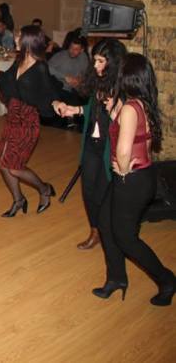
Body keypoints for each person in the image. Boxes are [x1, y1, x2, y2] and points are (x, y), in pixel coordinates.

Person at [90, 54, 174, 306]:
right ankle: (117, 278)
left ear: (126, 77)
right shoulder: (142, 103)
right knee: (105, 222)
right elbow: (137, 136)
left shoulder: (129, 108)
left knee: (126, 238)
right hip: (141, 177)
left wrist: (123, 169)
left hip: (132, 179)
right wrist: (114, 113)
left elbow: (124, 150)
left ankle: (167, 280)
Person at [0, 26, 61, 217]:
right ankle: (19, 200)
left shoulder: (40, 67)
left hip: (28, 121)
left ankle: (44, 189)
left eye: (19, 36)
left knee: (14, 167)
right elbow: (5, 80)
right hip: (13, 117)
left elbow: (50, 91)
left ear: (29, 40)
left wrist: (55, 102)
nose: (15, 39)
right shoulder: (19, 60)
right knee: (2, 163)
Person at [56, 39, 127, 250]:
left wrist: (115, 110)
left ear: (113, 63)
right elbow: (92, 109)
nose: (95, 65)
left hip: (108, 148)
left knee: (103, 194)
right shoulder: (98, 80)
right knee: (88, 190)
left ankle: (108, 234)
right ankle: (95, 231)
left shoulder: (122, 88)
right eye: (94, 60)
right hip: (91, 144)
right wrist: (75, 110)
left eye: (100, 61)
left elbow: (127, 122)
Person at [48, 35, 89, 106]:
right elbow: (46, 67)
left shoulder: (83, 57)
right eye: (71, 47)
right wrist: (65, 77)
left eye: (76, 49)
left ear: (82, 50)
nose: (72, 51)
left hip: (75, 89)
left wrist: (80, 79)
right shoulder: (60, 56)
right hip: (60, 88)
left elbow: (85, 73)